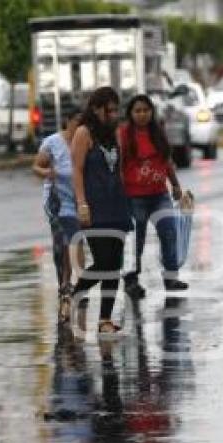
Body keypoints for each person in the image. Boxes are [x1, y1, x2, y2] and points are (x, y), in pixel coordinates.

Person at [71, 86, 133, 337]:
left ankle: (105, 319)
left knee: (114, 264)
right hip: (94, 207)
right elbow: (76, 170)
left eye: (116, 109)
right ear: (96, 109)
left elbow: (118, 169)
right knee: (104, 261)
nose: (114, 114)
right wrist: (81, 203)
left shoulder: (113, 134)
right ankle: (76, 293)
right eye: (110, 110)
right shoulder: (83, 133)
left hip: (116, 204)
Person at [119, 94, 188, 299]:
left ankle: (171, 277)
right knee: (136, 241)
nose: (142, 114)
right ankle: (131, 280)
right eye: (137, 111)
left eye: (145, 110)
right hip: (134, 197)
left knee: (169, 231)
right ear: (130, 114)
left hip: (159, 195)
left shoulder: (158, 132)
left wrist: (175, 184)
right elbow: (120, 166)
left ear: (151, 112)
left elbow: (166, 162)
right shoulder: (123, 134)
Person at [32, 108, 83, 323]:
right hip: (56, 201)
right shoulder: (52, 142)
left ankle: (72, 286)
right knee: (62, 244)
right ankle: (65, 283)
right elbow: (36, 166)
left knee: (75, 242)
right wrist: (47, 173)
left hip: (78, 200)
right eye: (76, 122)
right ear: (67, 121)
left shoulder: (87, 143)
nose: (79, 128)